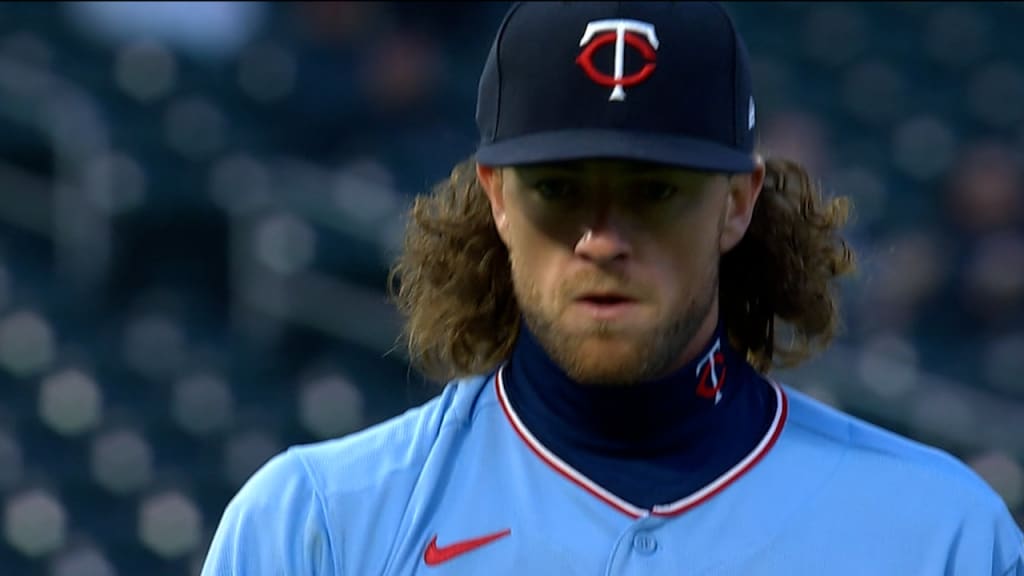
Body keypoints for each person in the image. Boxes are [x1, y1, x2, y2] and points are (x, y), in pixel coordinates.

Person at [201, 2, 1024, 574]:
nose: (602, 238)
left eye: (653, 191)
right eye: (560, 188)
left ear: (738, 203)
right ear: (495, 198)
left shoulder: (937, 535)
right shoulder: (317, 528)